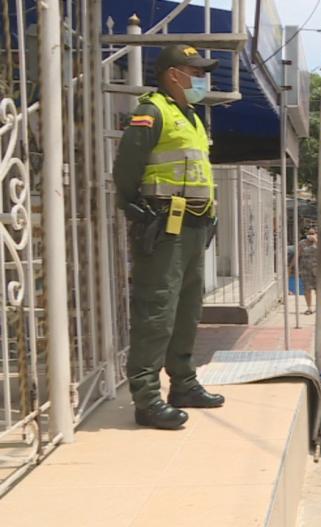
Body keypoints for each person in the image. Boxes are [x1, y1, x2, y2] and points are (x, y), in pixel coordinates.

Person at [113, 44, 225, 430]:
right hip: (162, 225)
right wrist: (135, 210)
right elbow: (126, 168)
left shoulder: (191, 116)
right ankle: (146, 399)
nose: (201, 79)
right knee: (156, 310)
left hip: (194, 226)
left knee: (187, 309)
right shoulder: (152, 112)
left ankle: (183, 383)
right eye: (195, 72)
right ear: (173, 74)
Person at [297, 226, 318, 315]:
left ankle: (319, 307)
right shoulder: (302, 243)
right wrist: (291, 267)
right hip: (305, 269)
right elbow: (298, 255)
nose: (310, 235)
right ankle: (309, 308)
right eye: (309, 233)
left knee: (319, 289)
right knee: (307, 289)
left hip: (318, 269)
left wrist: (316, 241)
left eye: (312, 233)